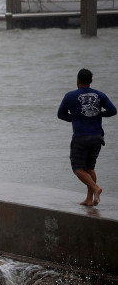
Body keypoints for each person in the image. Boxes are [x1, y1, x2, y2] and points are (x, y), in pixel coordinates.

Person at [57, 68, 116, 206]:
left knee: (78, 168)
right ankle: (90, 199)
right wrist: (98, 114)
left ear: (78, 81)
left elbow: (61, 114)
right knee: (89, 168)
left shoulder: (70, 96)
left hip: (81, 137)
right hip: (97, 137)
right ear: (91, 81)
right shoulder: (99, 95)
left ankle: (96, 188)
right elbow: (113, 111)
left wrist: (76, 118)